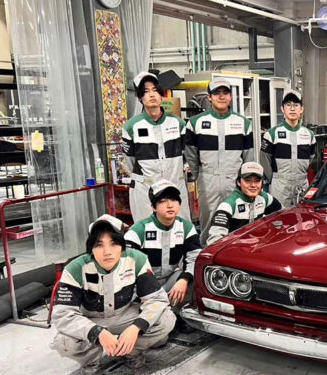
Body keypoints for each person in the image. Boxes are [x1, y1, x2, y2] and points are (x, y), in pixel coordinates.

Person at [50, 214, 176, 375]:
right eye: (99, 245)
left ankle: (130, 351)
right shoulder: (75, 269)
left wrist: (136, 328)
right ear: (91, 248)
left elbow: (156, 299)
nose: (107, 252)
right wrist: (97, 333)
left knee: (166, 319)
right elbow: (62, 315)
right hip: (92, 320)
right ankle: (91, 361)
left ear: (122, 246)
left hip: (125, 315)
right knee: (64, 342)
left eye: (114, 243)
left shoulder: (137, 259)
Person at [124, 180, 200, 330]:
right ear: (153, 207)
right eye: (163, 201)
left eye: (174, 200)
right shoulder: (137, 231)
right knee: (158, 337)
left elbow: (194, 258)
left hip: (169, 280)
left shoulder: (186, 228)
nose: (170, 205)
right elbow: (127, 268)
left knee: (196, 276)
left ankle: (176, 313)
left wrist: (184, 279)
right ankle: (156, 316)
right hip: (143, 287)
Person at [184, 77, 254, 230]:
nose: (221, 97)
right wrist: (201, 175)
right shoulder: (195, 123)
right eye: (217, 93)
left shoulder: (243, 123)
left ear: (231, 96)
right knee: (208, 223)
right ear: (209, 97)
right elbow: (191, 155)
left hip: (235, 181)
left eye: (225, 93)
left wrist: (245, 179)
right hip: (208, 182)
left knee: (238, 222)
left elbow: (249, 157)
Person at [121, 71, 190, 222]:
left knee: (181, 230)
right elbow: (130, 162)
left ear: (161, 93)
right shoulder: (131, 127)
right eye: (146, 91)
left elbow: (186, 154)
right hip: (145, 190)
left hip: (175, 187)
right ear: (139, 97)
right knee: (147, 230)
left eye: (155, 90)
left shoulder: (178, 123)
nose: (152, 95)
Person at [201, 161, 282, 247]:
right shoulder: (228, 206)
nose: (253, 185)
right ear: (238, 182)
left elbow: (283, 215)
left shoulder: (265, 198)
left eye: (257, 181)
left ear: (262, 183)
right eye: (248, 181)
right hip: (234, 250)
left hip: (258, 248)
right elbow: (214, 242)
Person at [260, 91, 317, 207]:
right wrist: (275, 179)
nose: (292, 109)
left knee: (302, 215)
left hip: (302, 184)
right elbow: (264, 160)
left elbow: (311, 158)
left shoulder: (309, 135)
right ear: (282, 109)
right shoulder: (272, 134)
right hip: (280, 186)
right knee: (279, 216)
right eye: (288, 105)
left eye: (296, 105)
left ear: (301, 109)